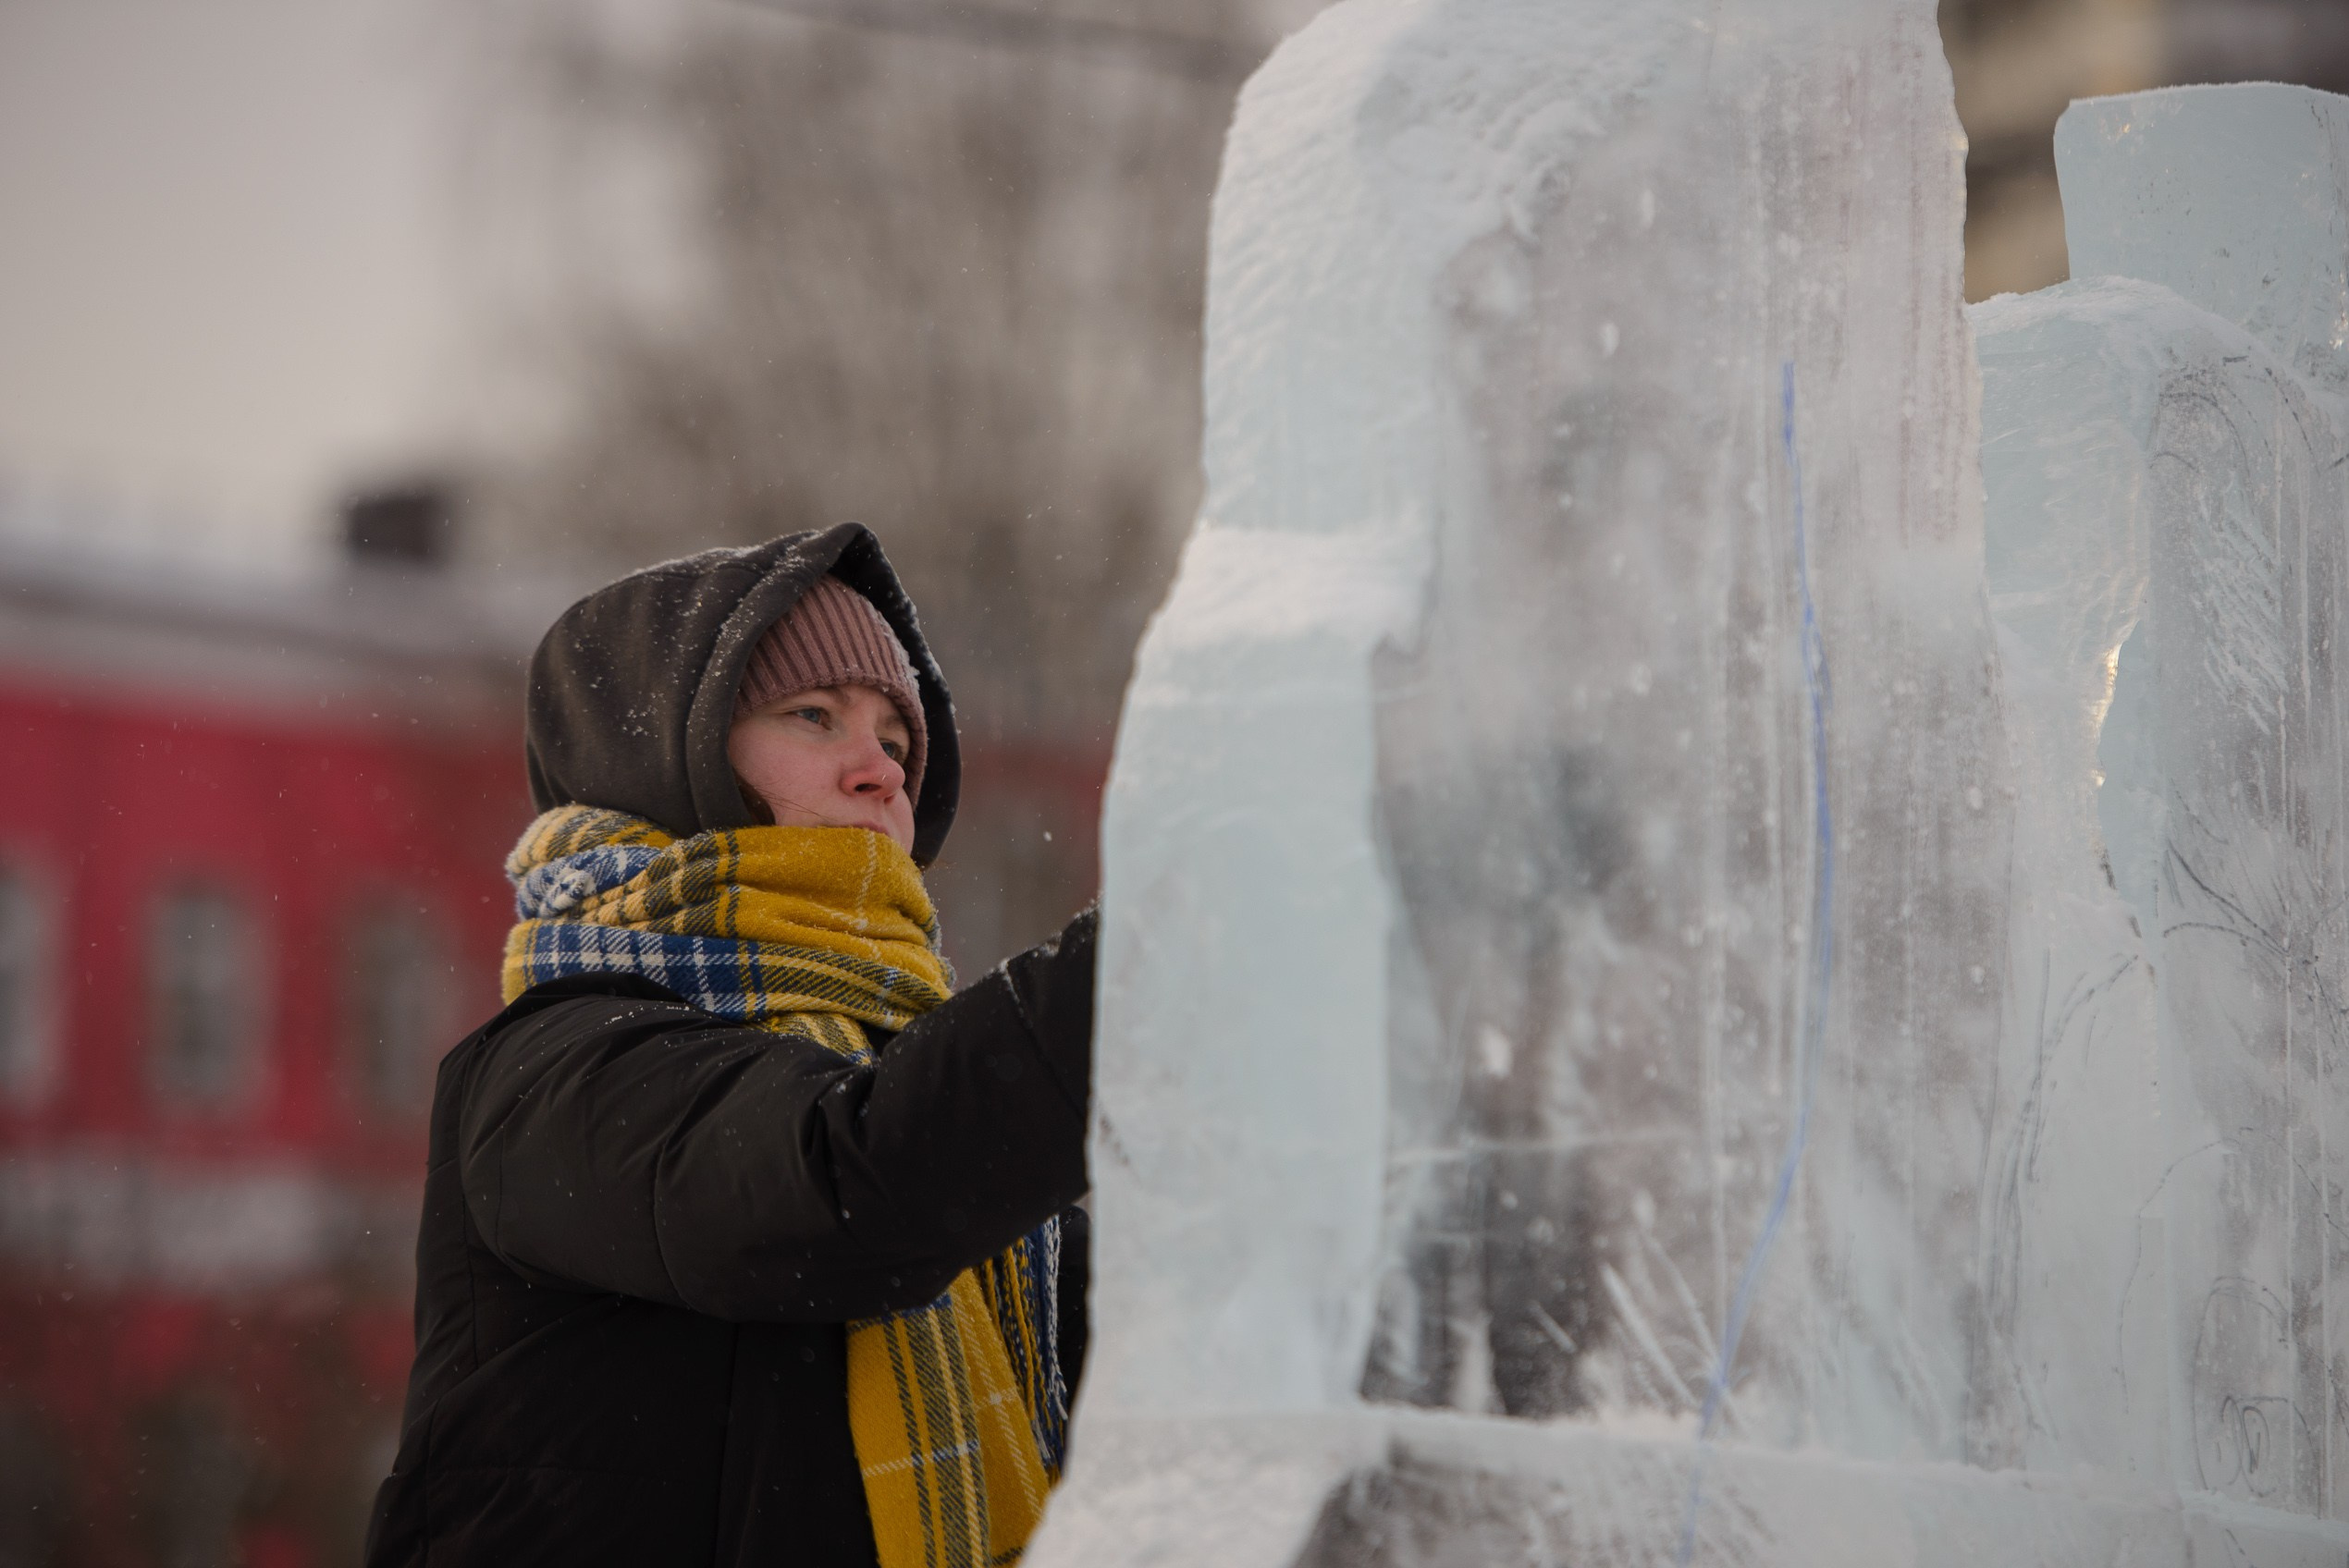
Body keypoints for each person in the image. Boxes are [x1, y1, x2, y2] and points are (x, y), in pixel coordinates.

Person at [363, 525, 1097, 1568]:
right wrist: (1160, 959)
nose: (877, 772)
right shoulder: (550, 1078)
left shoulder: (959, 1137)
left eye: (896, 738)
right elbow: (841, 1184)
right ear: (664, 756)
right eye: (813, 715)